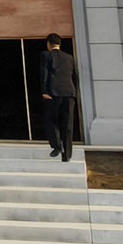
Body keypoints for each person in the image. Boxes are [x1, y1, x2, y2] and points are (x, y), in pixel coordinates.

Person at [40, 33, 79, 163]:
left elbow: (44, 74)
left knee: (51, 121)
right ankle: (67, 155)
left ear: (49, 44)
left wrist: (44, 91)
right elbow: (72, 75)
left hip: (53, 93)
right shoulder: (69, 58)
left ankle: (57, 146)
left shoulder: (46, 55)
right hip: (69, 94)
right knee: (68, 125)